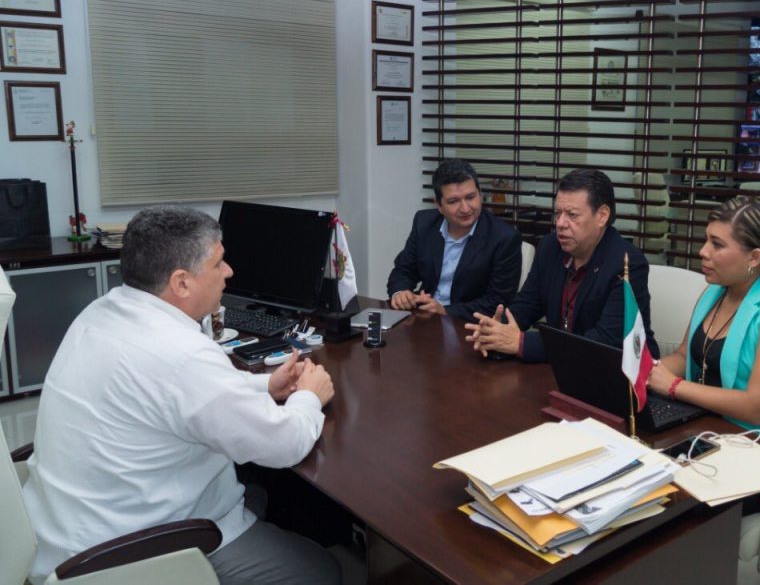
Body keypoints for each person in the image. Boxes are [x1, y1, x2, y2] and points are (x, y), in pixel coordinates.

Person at [21, 206, 341, 585]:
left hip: (63, 533)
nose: (229, 272)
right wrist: (309, 396)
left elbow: (173, 394)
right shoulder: (182, 354)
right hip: (123, 556)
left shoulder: (100, 313)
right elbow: (283, 444)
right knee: (321, 570)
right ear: (182, 283)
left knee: (257, 491)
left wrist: (263, 386)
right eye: (218, 263)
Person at [646, 196, 760, 508]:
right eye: (706, 240)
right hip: (714, 438)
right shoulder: (715, 292)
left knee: (667, 504)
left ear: (754, 257)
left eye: (717, 244)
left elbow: (756, 407)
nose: (703, 251)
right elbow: (685, 357)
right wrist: (644, 371)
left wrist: (672, 386)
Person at [465, 168, 657, 362]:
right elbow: (526, 305)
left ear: (602, 215)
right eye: (558, 213)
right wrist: (495, 331)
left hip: (613, 371)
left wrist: (521, 343)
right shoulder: (550, 248)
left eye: (572, 215)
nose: (560, 223)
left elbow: (604, 341)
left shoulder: (627, 264)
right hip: (559, 366)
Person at [387, 158, 521, 319]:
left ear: (480, 195)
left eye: (470, 197)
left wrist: (445, 311)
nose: (465, 208)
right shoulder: (424, 223)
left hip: (469, 324)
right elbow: (403, 270)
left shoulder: (504, 238)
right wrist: (400, 292)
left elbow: (496, 302)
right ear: (439, 205)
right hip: (425, 317)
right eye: (453, 201)